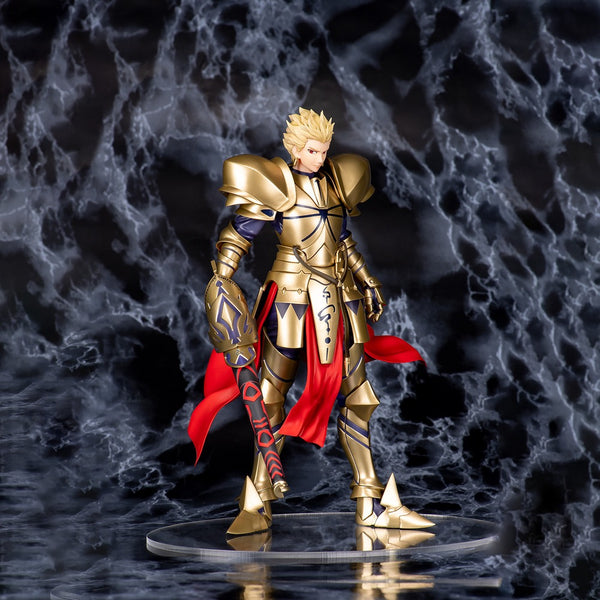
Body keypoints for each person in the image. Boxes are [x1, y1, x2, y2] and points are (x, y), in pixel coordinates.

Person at [188, 108, 434, 535]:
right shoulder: (275, 185)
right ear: (296, 149)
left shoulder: (338, 182)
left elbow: (342, 240)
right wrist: (222, 279)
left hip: (340, 298)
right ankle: (257, 503)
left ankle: (371, 504)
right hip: (290, 300)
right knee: (270, 397)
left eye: (324, 150)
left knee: (359, 398)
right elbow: (240, 233)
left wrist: (367, 278)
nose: (321, 158)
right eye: (314, 151)